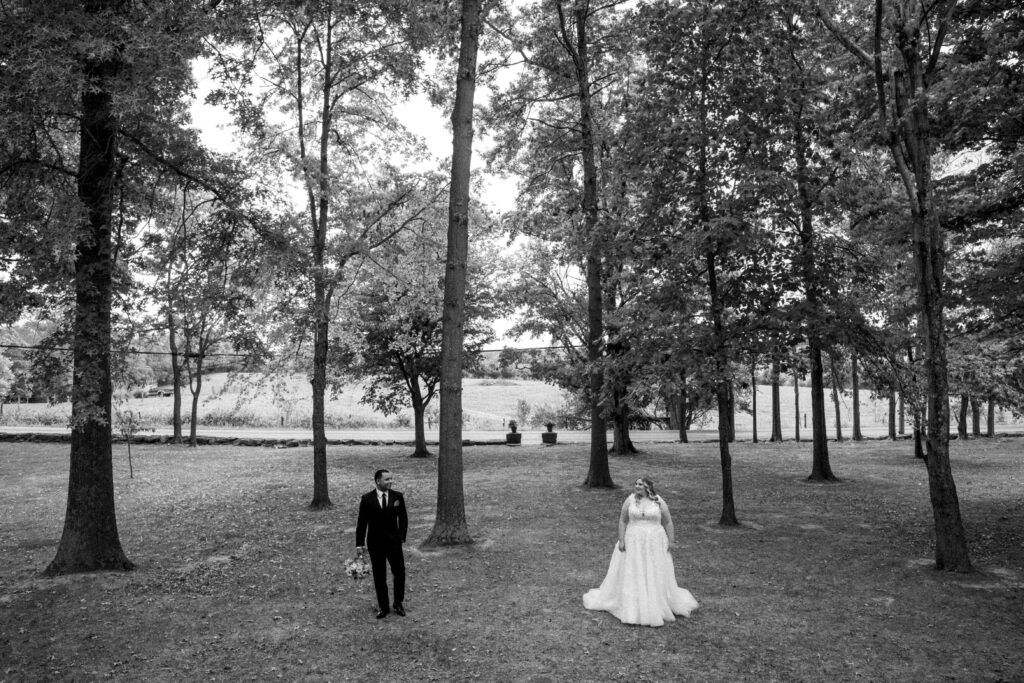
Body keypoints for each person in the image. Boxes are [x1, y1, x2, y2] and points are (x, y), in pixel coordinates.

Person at [583, 476, 699, 626]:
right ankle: (634, 603)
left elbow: (668, 522)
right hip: (634, 540)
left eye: (640, 484)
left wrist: (671, 541)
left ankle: (655, 601)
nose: (637, 486)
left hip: (654, 541)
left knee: (653, 569)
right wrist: (621, 539)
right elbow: (623, 520)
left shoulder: (658, 501)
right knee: (634, 569)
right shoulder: (630, 500)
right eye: (636, 484)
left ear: (647, 487)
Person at [356, 469, 408, 619]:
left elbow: (403, 519)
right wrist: (359, 543)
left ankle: (398, 603)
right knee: (379, 576)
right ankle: (383, 607)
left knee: (399, 573)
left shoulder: (397, 496)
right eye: (387, 479)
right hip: (375, 544)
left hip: (394, 543)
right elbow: (362, 523)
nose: (390, 481)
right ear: (378, 481)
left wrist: (401, 537)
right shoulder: (367, 499)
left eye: (391, 479)